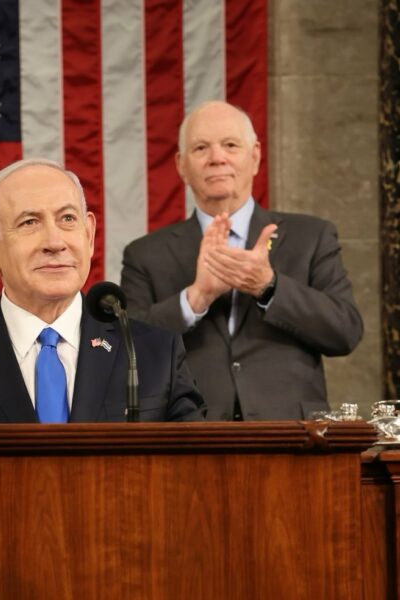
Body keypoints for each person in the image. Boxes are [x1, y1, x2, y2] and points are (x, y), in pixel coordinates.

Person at [0, 158, 206, 554]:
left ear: (90, 233)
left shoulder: (152, 353)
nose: (55, 241)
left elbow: (203, 492)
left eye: (67, 219)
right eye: (30, 222)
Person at [121, 101, 363, 421]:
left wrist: (269, 286)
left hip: (293, 438)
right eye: (201, 148)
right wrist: (195, 299)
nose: (217, 158)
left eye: (231, 145)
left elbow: (345, 332)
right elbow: (125, 353)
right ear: (181, 165)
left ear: (256, 157)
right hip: (190, 438)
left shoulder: (312, 236)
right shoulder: (144, 254)